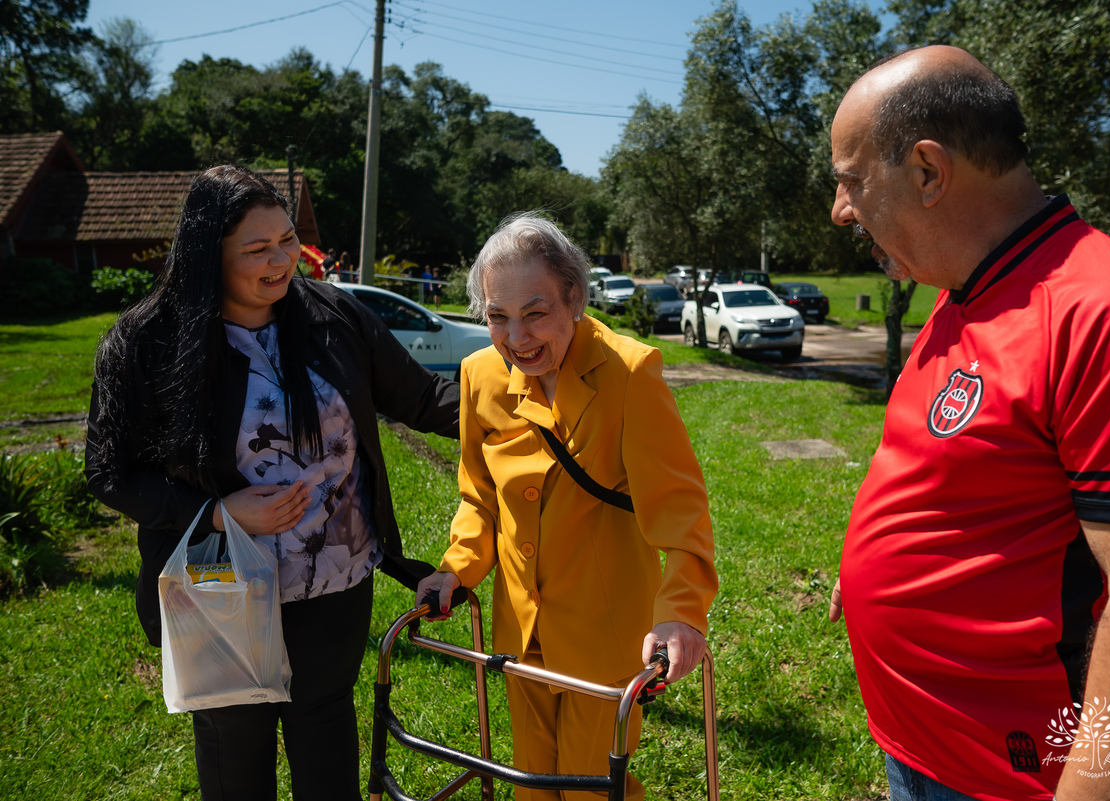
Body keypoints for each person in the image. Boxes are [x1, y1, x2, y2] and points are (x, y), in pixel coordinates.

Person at [825, 45, 1110, 801]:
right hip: (923, 750)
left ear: (929, 171)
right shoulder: (963, 293)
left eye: (853, 180)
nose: (841, 208)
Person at [85, 164, 459, 800]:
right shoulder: (148, 342)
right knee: (236, 747)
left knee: (325, 731)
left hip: (334, 582)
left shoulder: (334, 316)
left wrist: (529, 397)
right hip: (218, 586)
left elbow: (425, 400)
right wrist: (218, 512)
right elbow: (109, 471)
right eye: (256, 249)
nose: (280, 260)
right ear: (208, 255)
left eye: (287, 240)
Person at [415, 213, 718, 801]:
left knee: (590, 786)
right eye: (497, 318)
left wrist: (681, 609)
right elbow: (478, 496)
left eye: (535, 313)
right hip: (518, 630)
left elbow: (681, 510)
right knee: (529, 782)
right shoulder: (479, 375)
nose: (517, 337)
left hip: (602, 634)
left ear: (573, 297)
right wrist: (457, 567)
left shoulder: (630, 372)